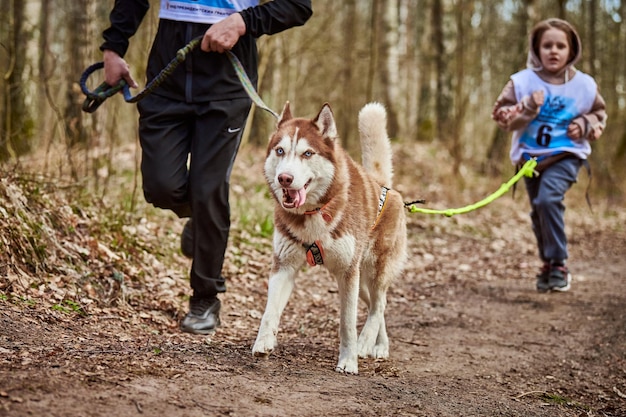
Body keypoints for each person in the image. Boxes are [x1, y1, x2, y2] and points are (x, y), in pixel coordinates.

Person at [100, 0, 312, 333]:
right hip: (167, 71)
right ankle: (199, 217)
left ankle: (205, 297)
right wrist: (113, 48)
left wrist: (243, 21)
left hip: (228, 80)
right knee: (160, 186)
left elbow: (298, 6)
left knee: (208, 188)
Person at [492, 18, 606, 293]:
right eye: (547, 45)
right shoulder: (521, 82)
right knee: (538, 211)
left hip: (566, 155)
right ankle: (549, 264)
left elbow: (599, 113)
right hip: (529, 160)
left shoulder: (585, 85)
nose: (553, 51)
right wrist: (528, 107)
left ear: (571, 50)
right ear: (536, 49)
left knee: (548, 198)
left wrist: (586, 124)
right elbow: (503, 118)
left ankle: (559, 263)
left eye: (560, 46)